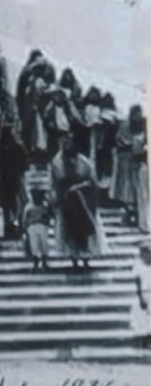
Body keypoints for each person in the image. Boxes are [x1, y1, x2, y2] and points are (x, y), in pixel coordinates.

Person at [51, 134, 106, 269]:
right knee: (69, 233)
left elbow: (93, 182)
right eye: (65, 145)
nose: (67, 147)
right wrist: (56, 199)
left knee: (85, 231)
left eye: (70, 144)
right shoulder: (56, 163)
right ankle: (74, 259)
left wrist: (85, 191)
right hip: (67, 202)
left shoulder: (85, 162)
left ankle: (86, 258)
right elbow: (54, 184)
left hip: (83, 202)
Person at [113, 105, 148, 231]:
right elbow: (121, 141)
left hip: (138, 162)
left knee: (138, 192)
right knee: (127, 192)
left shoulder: (144, 125)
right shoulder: (125, 126)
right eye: (135, 114)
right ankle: (127, 217)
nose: (137, 117)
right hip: (126, 163)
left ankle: (138, 217)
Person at [21, 189, 51, 272]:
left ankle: (41, 264)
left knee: (40, 245)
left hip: (38, 226)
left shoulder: (33, 206)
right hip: (35, 226)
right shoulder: (32, 206)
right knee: (39, 245)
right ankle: (39, 264)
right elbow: (25, 218)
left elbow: (24, 219)